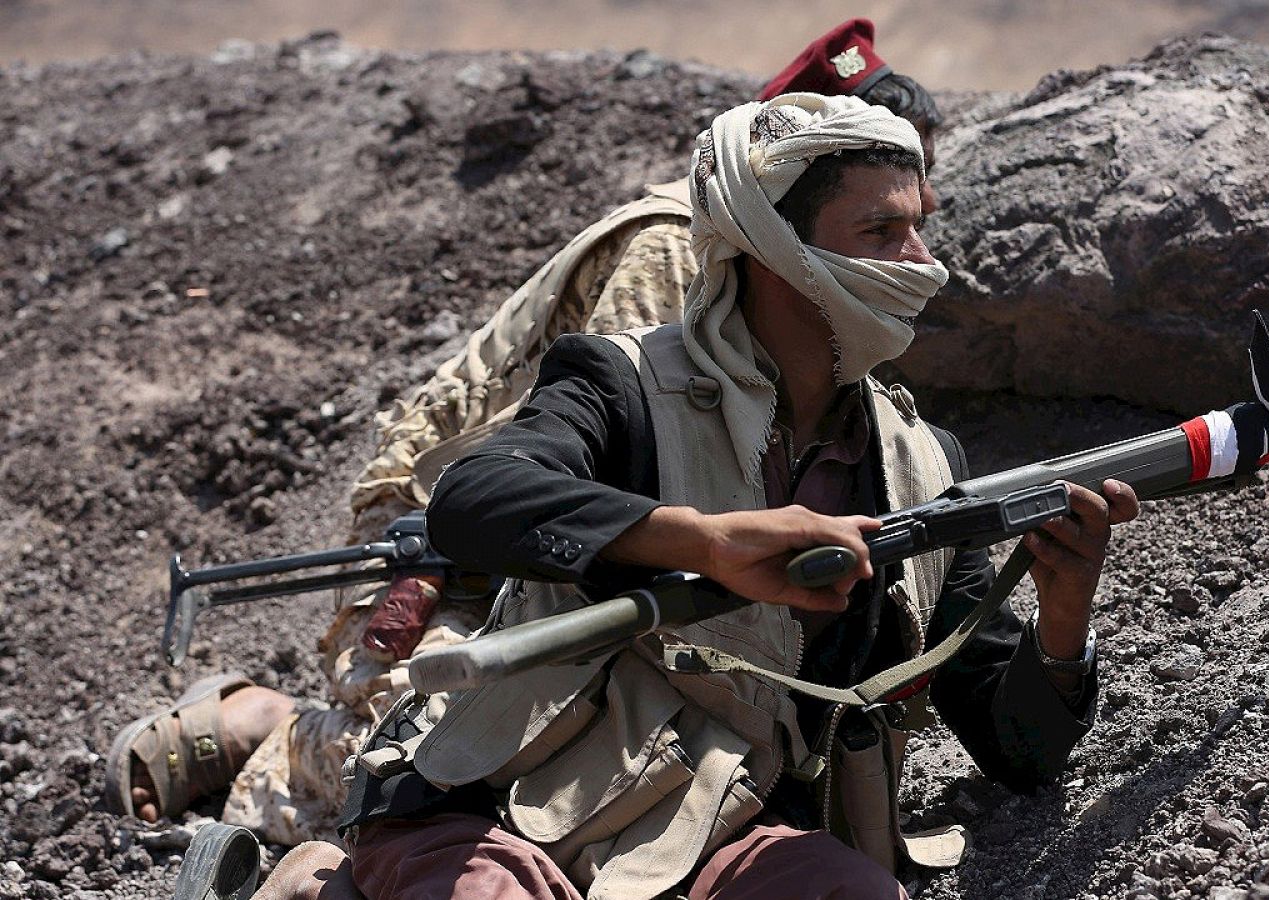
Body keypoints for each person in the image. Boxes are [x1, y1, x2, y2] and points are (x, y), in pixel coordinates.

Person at [108, 11, 949, 874]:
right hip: (440, 523)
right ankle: (258, 731)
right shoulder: (677, 260)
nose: (914, 250)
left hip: (560, 527)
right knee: (435, 723)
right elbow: (623, 452)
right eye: (877, 221)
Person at [335, 92, 1139, 899]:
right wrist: (699, 541)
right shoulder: (623, 383)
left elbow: (1017, 749)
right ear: (775, 249)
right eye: (880, 233)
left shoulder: (921, 466)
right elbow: (475, 498)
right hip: (495, 804)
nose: (923, 261)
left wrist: (1064, 618)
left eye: (918, 225)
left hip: (713, 836)